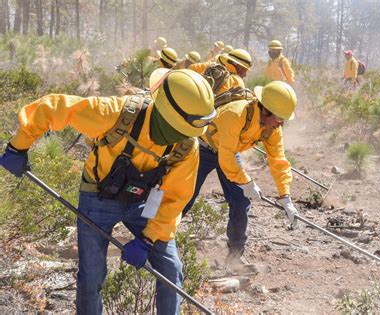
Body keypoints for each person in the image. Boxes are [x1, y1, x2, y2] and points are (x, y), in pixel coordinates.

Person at [0, 68, 216, 315]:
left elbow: (176, 197)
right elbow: (52, 107)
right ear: (163, 113)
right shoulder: (117, 113)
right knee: (92, 276)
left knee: (171, 269)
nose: (184, 137)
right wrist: (18, 146)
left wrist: (147, 239)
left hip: (144, 203)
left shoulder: (188, 145)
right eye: (178, 129)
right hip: (97, 197)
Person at [182, 81, 299, 269]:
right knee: (184, 196)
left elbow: (278, 160)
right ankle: (158, 241)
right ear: (265, 110)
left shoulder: (272, 128)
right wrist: (246, 183)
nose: (281, 123)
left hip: (228, 150)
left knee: (240, 201)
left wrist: (285, 197)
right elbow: (226, 157)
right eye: (279, 118)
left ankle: (235, 256)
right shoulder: (235, 114)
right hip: (204, 148)